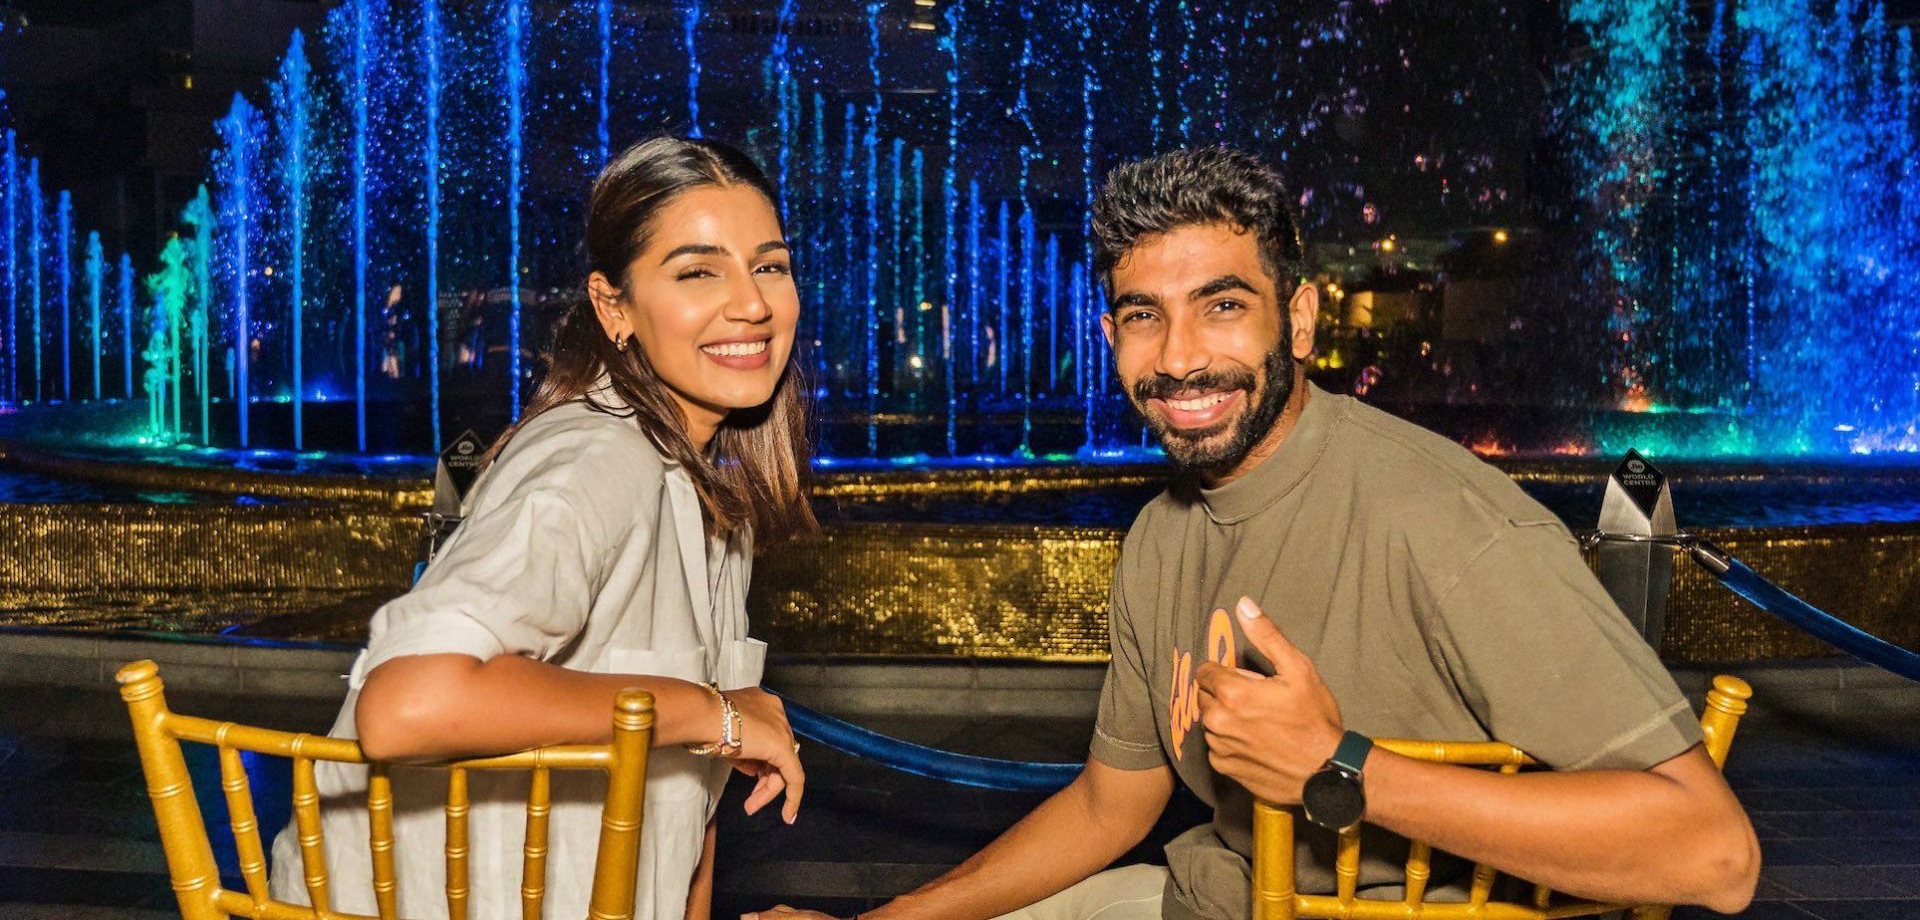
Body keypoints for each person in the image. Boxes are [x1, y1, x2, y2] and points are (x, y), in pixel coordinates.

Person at [756, 147, 1758, 920]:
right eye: (1145, 317)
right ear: (1110, 337)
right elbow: (1115, 804)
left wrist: (1343, 765)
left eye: (1223, 308)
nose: (1181, 359)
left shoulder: (1448, 524)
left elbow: (1713, 856)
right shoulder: (1160, 535)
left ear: (1303, 318)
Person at [268, 136, 817, 920]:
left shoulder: (709, 494)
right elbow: (405, 704)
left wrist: (713, 720)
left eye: (769, 265)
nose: (753, 303)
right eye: (698, 271)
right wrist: (714, 711)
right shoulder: (596, 456)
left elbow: (682, 818)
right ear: (613, 307)